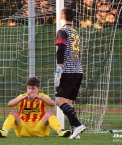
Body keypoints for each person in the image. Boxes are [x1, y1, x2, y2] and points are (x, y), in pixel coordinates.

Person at [0, 77, 70, 138]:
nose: (30, 91)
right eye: (29, 88)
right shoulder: (22, 96)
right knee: (13, 113)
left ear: (38, 89)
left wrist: (39, 97)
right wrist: (22, 98)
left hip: (39, 128)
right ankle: (4, 132)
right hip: (23, 128)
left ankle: (60, 131)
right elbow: (10, 104)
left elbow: (53, 104)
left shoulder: (42, 96)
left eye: (33, 88)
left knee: (50, 113)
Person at [54, 8, 86, 139]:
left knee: (59, 100)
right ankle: (75, 130)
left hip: (67, 70)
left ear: (62, 17)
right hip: (78, 71)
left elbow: (61, 49)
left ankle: (78, 125)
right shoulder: (76, 32)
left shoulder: (62, 31)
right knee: (69, 101)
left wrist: (59, 69)